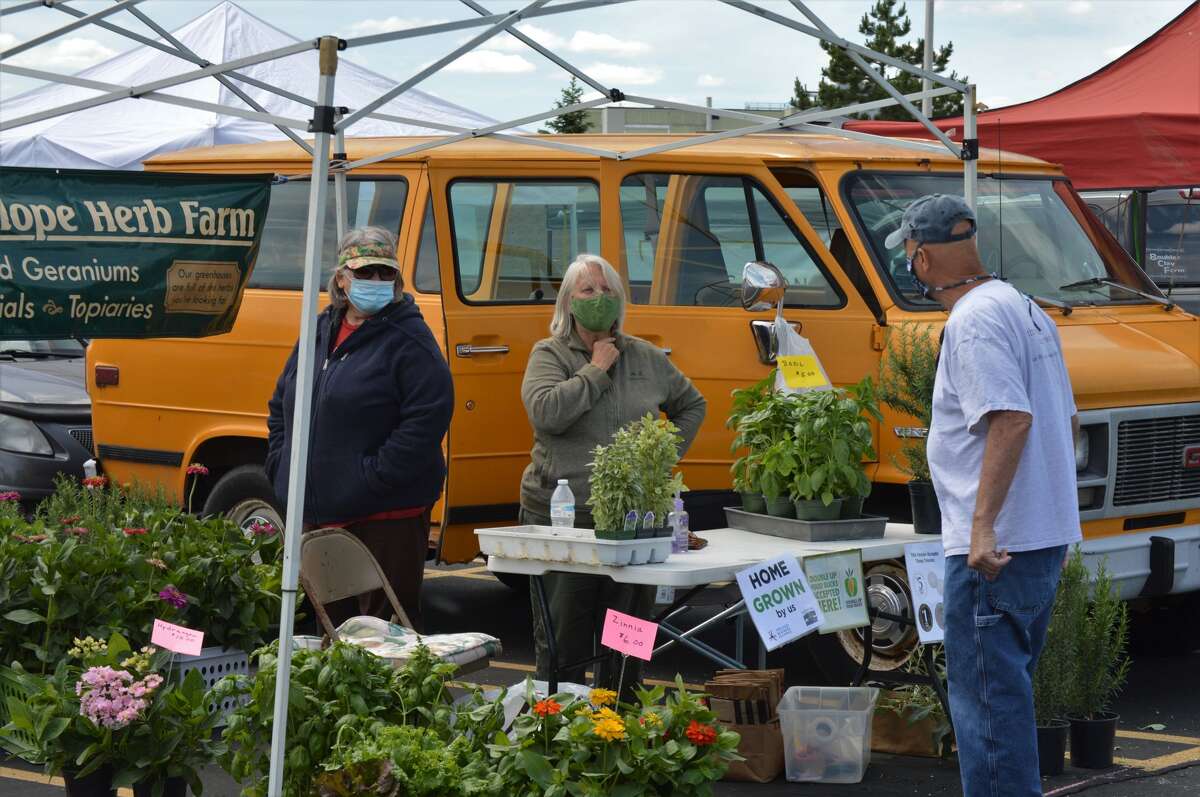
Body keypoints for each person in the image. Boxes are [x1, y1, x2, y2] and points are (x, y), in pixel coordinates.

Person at [889, 195, 1082, 796]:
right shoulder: (1025, 307)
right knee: (1005, 699)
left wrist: (982, 526)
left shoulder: (973, 318)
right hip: (1038, 537)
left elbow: (1011, 418)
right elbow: (1066, 422)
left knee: (989, 714)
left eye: (909, 255)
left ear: (920, 258)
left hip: (998, 552)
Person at [521, 253, 706, 692]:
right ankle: (557, 729)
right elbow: (546, 413)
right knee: (564, 640)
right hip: (566, 519)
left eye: (608, 291)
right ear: (568, 302)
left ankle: (622, 721)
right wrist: (596, 369)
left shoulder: (644, 356)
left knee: (628, 636)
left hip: (633, 521)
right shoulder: (549, 354)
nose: (599, 299)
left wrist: (659, 456)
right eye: (588, 290)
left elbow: (692, 404)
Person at [266, 226, 453, 632]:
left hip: (386, 515)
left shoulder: (410, 338)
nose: (376, 282)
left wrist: (373, 476)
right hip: (321, 514)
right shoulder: (319, 330)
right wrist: (282, 464)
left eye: (386, 274)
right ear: (341, 278)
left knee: (385, 635)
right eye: (365, 272)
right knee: (331, 631)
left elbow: (428, 417)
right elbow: (282, 402)